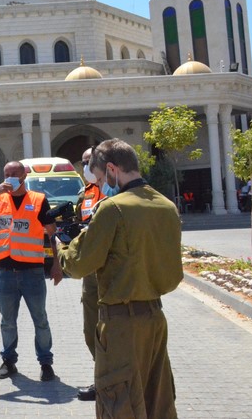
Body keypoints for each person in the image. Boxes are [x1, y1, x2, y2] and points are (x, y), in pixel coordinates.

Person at [58, 139, 183, 418]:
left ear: (112, 169)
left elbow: (79, 265)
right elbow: (173, 276)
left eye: (101, 178)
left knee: (119, 402)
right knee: (157, 399)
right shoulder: (166, 206)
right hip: (155, 318)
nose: (101, 186)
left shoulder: (112, 208)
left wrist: (61, 247)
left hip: (119, 323)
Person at [0, 160, 62, 382]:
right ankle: (9, 361)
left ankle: (46, 363)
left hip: (33, 272)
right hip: (6, 271)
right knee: (7, 320)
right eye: (6, 174)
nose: (10, 178)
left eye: (14, 174)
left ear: (24, 176)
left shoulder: (38, 200)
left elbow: (52, 234)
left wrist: (57, 264)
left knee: (40, 319)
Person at [73, 147, 105, 402]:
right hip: (91, 273)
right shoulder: (85, 193)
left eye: (88, 162)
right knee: (91, 330)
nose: (85, 167)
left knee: (114, 329)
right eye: (83, 162)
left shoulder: (115, 190)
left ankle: (111, 382)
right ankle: (102, 378)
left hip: (113, 271)